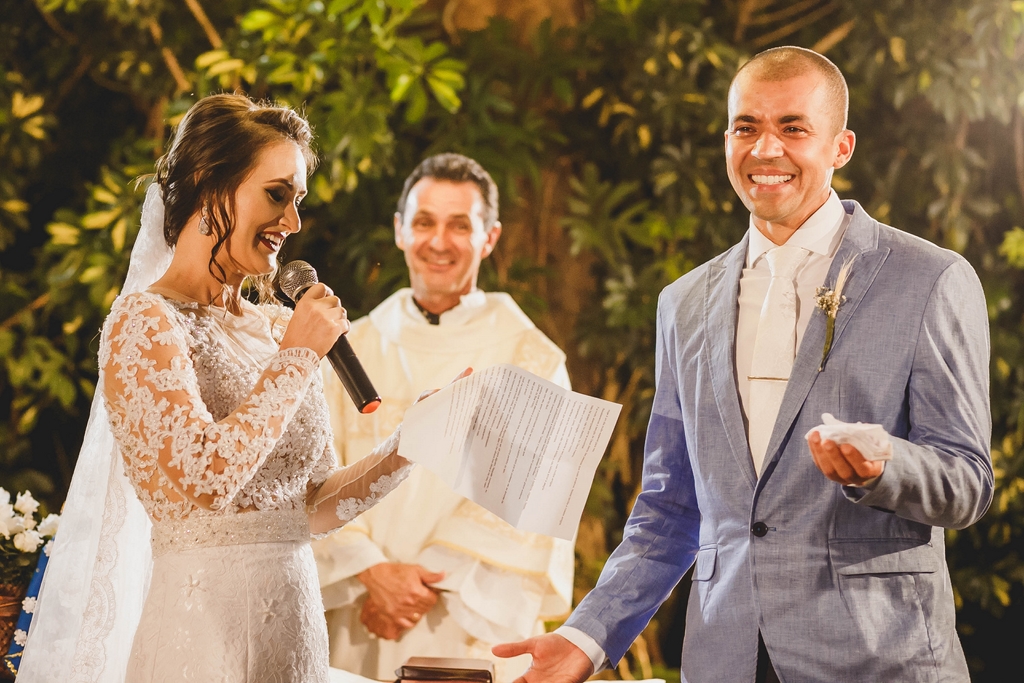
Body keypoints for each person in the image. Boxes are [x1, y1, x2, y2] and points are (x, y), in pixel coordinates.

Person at [494, 46, 993, 682]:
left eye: (793, 128)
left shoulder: (929, 279)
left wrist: (884, 464)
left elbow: (968, 481)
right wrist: (587, 637)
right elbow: (671, 510)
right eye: (746, 127)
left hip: (879, 659)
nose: (765, 150)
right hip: (727, 659)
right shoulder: (684, 303)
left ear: (840, 148)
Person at [18, 94, 415, 683]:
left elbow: (309, 508)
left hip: (297, 636)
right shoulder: (145, 322)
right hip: (202, 638)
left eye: (298, 200)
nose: (294, 223)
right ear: (209, 183)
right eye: (277, 194)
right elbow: (206, 480)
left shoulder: (279, 328)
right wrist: (300, 356)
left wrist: (413, 447)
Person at [313, 153, 574, 681]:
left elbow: (533, 503)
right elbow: (309, 473)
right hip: (358, 609)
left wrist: (421, 581)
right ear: (399, 230)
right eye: (425, 221)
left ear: (490, 237)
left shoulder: (532, 359)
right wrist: (371, 571)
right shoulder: (348, 347)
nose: (439, 241)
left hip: (469, 618)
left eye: (461, 225)